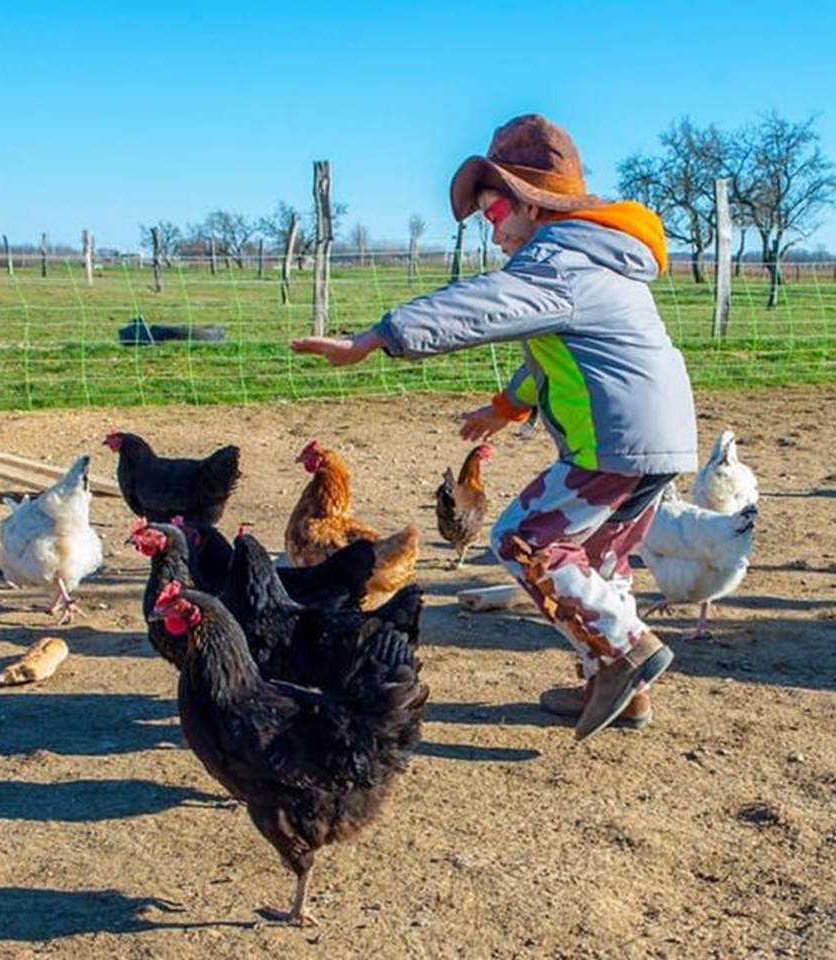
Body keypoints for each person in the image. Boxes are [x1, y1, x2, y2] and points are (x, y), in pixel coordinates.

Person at [292, 115, 698, 740]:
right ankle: (620, 688)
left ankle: (627, 650)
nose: (493, 230)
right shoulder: (601, 259)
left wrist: (376, 338)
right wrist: (504, 410)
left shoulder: (560, 259)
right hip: (660, 437)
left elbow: (480, 306)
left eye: (495, 211)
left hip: (615, 441)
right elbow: (553, 357)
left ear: (534, 205)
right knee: (598, 559)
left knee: (522, 539)